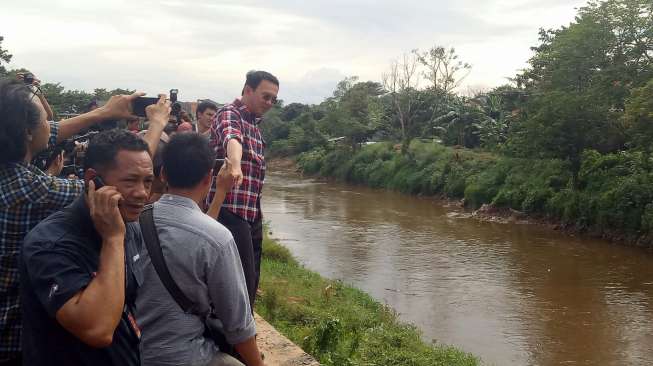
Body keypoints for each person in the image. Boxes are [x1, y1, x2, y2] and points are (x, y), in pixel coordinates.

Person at [0, 79, 162, 365]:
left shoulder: (12, 163)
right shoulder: (28, 189)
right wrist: (157, 124)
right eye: (43, 118)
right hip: (11, 333)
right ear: (26, 132)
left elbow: (53, 133)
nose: (51, 123)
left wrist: (105, 112)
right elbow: (118, 183)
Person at [19, 129, 155, 366]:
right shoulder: (50, 243)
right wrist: (112, 240)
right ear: (93, 180)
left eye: (148, 181)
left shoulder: (128, 225)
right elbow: (98, 329)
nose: (142, 193)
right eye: (130, 181)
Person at [136, 133, 264, 366]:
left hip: (134, 351)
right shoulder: (218, 238)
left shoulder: (133, 222)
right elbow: (238, 327)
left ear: (162, 173)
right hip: (188, 356)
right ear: (208, 178)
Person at [207, 70, 279, 309]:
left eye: (273, 99)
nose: (269, 103)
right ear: (248, 90)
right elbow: (232, 138)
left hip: (251, 214)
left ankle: (242, 331)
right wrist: (235, 165)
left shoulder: (256, 127)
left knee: (251, 278)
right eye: (265, 96)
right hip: (228, 210)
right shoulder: (229, 113)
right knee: (236, 280)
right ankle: (231, 336)